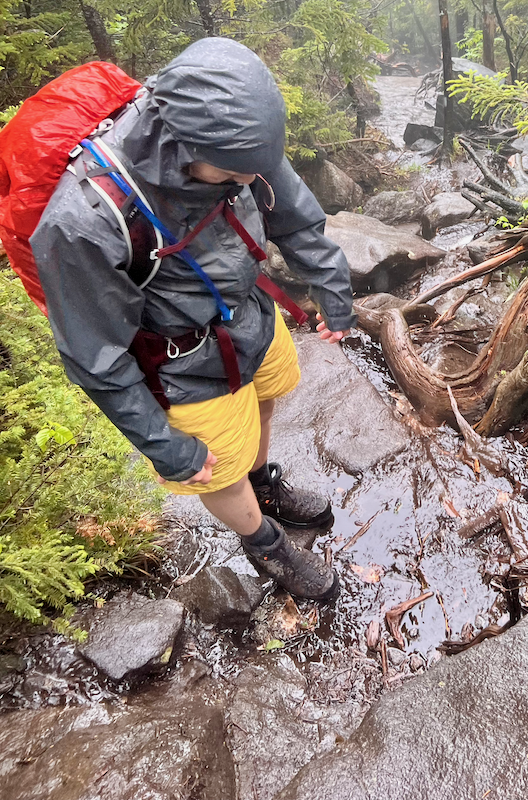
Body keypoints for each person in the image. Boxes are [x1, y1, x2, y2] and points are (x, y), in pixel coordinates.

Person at [31, 38, 357, 602]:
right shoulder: (84, 220)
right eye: (232, 176)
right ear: (185, 144)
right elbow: (95, 357)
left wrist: (332, 286)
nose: (248, 184)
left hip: (249, 315)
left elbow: (297, 219)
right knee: (216, 467)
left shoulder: (242, 146)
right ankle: (267, 543)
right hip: (182, 360)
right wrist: (164, 445)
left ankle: (262, 485)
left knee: (264, 399)